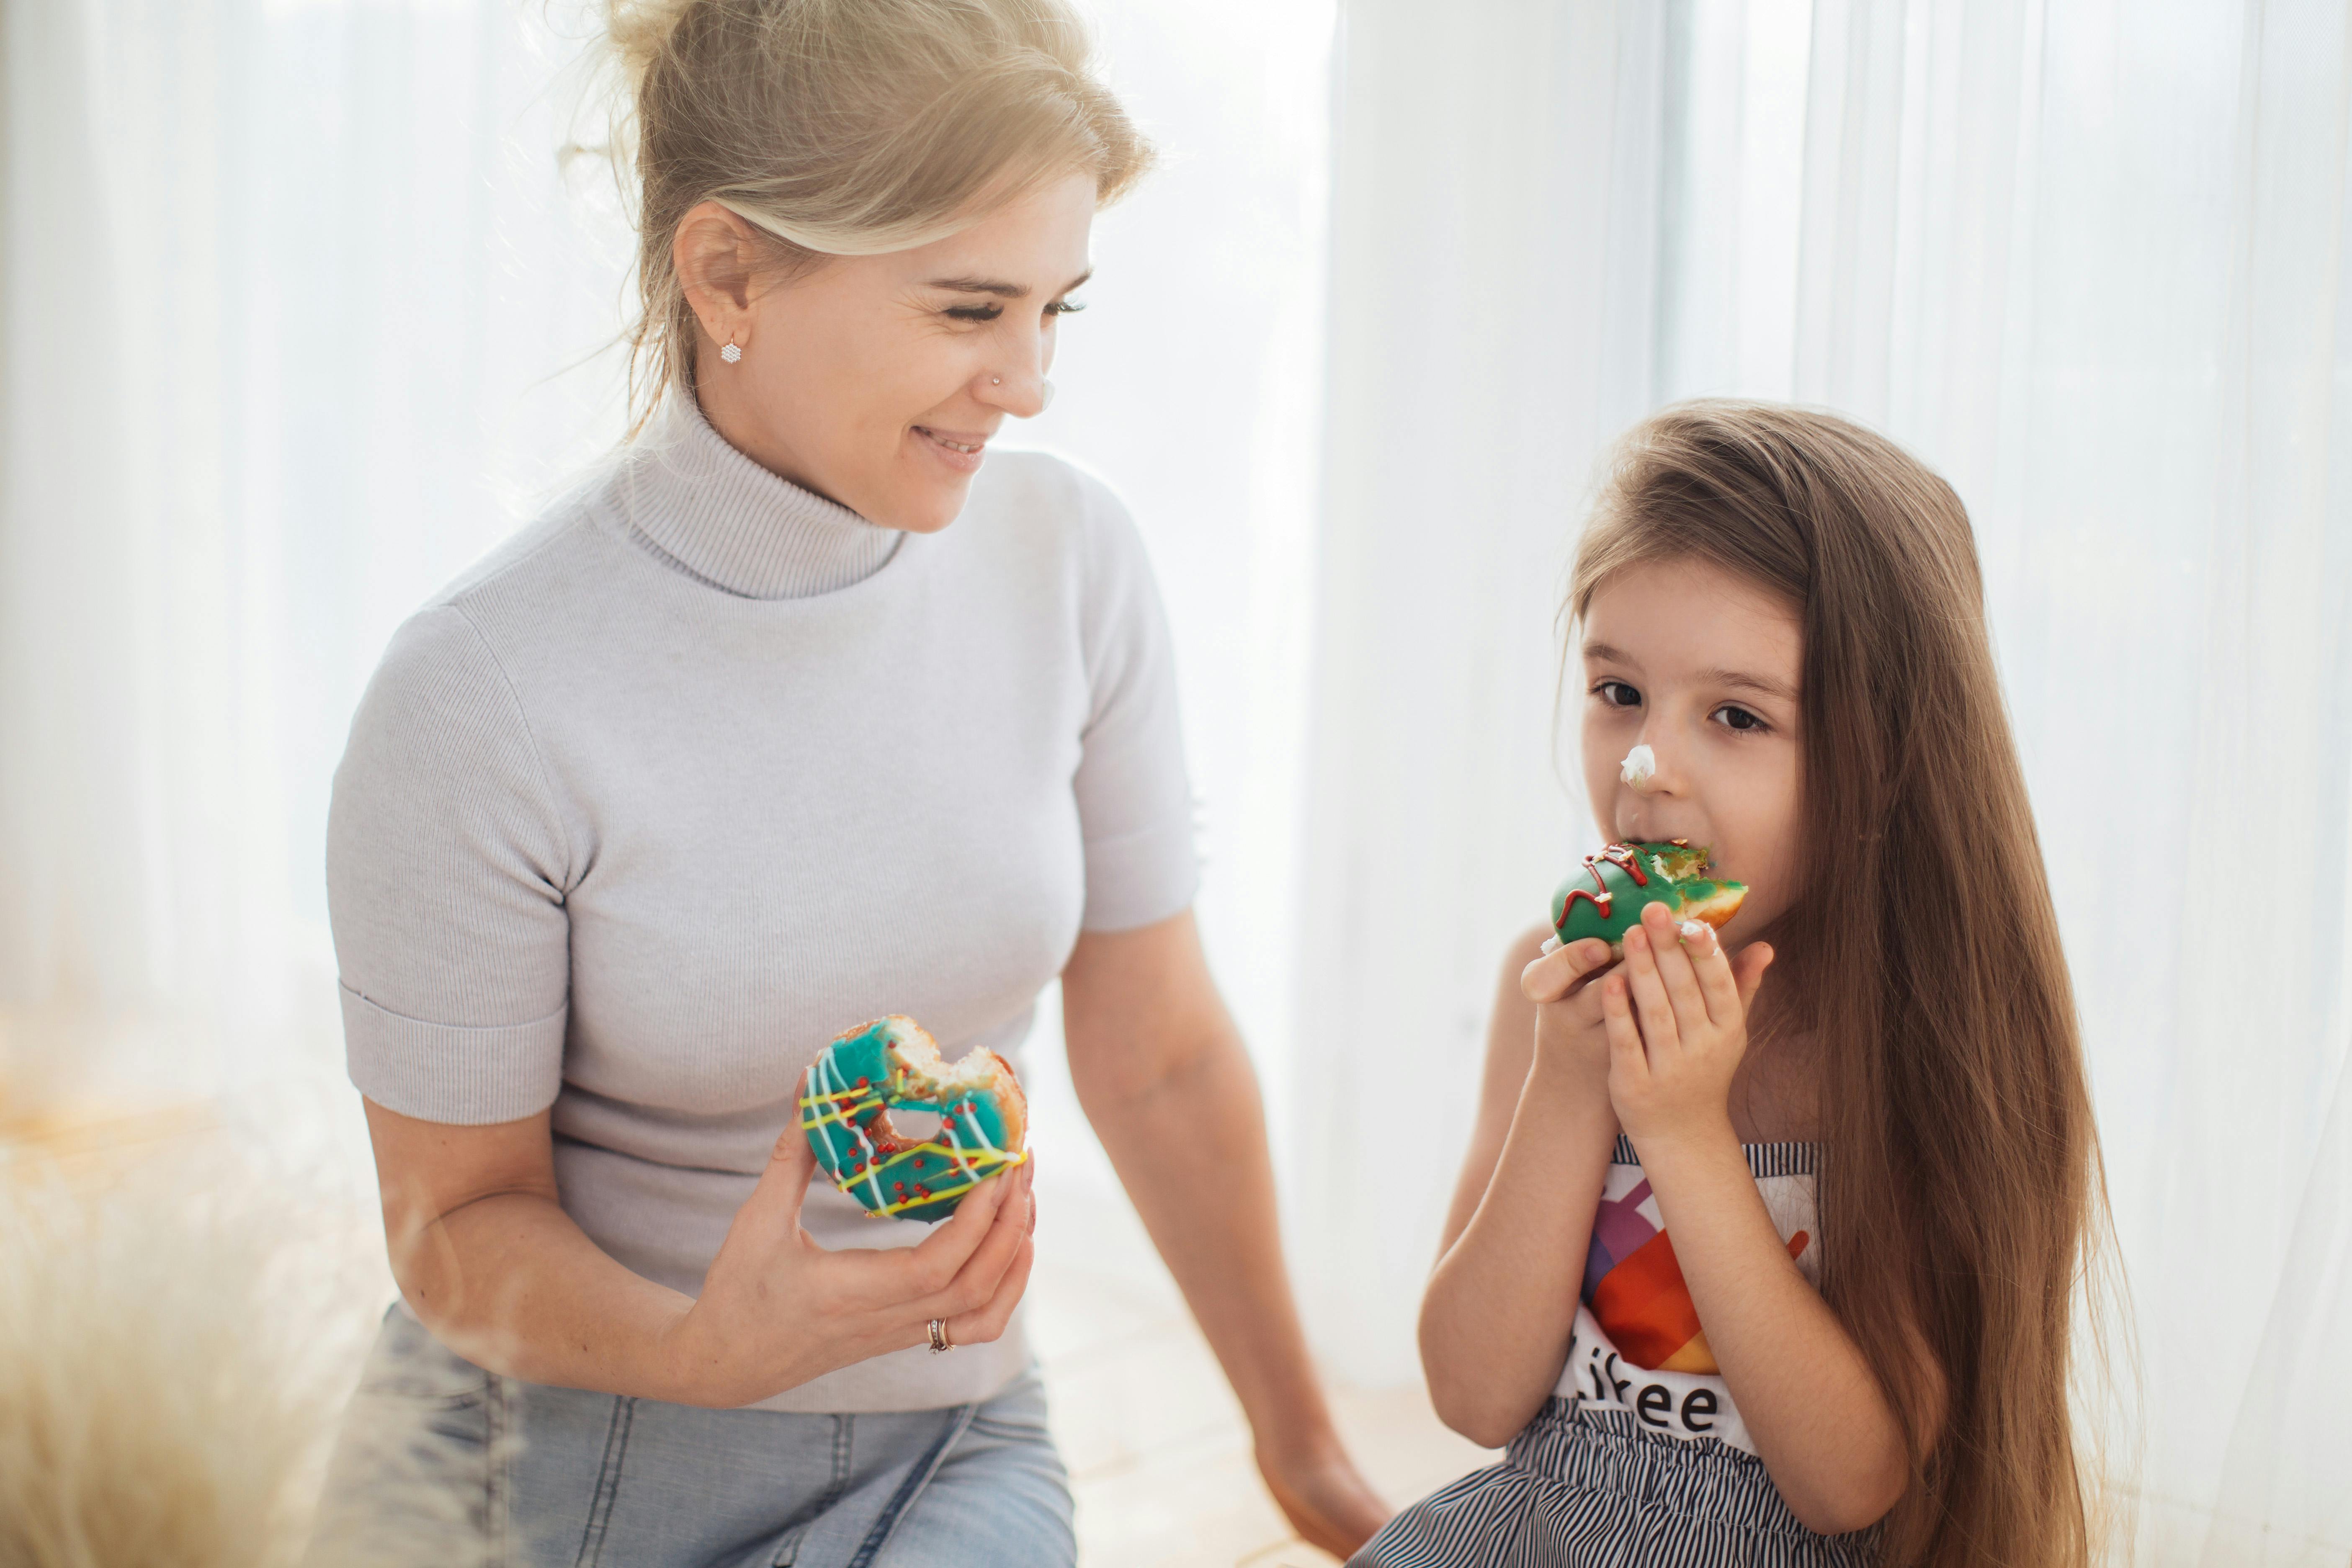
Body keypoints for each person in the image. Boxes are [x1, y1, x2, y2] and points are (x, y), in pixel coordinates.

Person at [307, 2, 1387, 1563]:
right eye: (967, 310)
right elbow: (452, 1225)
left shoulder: (1070, 565)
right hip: (558, 1452)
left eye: (1054, 312)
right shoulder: (479, 691)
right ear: (728, 272)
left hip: (950, 1440)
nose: (1026, 382)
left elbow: (1156, 1056)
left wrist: (1305, 1452)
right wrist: (703, 1351)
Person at [1352, 403, 2111, 1567]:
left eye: (1737, 715)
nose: (1647, 768)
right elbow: (1473, 1392)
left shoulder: (1907, 1042)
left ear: (1886, 757)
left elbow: (1847, 1479)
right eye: (1618, 693)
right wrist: (1568, 1079)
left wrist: (1682, 1132)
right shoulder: (1545, 988)